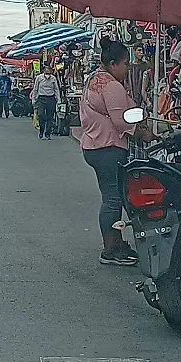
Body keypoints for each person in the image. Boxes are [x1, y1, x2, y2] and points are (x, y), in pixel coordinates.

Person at [80, 39, 141, 266]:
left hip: (94, 144)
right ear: (113, 63)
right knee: (113, 200)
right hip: (108, 146)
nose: (128, 68)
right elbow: (121, 120)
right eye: (126, 64)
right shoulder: (111, 85)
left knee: (114, 198)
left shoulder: (94, 80)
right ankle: (111, 249)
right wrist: (143, 132)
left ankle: (115, 243)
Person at [33, 67, 60, 140]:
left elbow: (56, 89)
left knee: (50, 117)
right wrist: (34, 99)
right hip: (41, 98)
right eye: (46, 73)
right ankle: (41, 130)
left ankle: (47, 133)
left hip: (50, 98)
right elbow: (35, 89)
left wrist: (58, 100)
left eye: (49, 73)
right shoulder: (39, 78)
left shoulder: (53, 79)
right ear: (44, 72)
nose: (48, 75)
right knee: (41, 115)